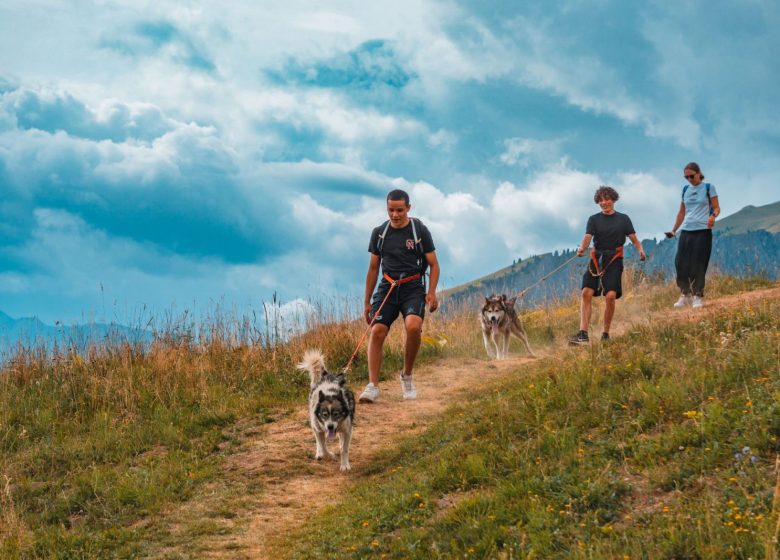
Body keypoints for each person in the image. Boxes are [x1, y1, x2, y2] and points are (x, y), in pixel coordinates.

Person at [358, 189, 440, 403]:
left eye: (399, 210)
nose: (395, 215)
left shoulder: (418, 230)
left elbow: (433, 264)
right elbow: (373, 268)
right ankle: (373, 386)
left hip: (412, 287)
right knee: (377, 331)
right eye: (391, 210)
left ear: (408, 208)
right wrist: (367, 301)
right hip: (388, 287)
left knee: (413, 326)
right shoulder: (379, 233)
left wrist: (431, 292)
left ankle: (407, 376)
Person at [569, 186, 646, 345]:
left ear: (614, 199)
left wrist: (640, 250)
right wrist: (582, 248)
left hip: (614, 259)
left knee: (610, 296)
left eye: (607, 199)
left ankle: (605, 333)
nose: (604, 203)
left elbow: (633, 238)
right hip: (596, 258)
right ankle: (583, 334)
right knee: (586, 292)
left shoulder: (624, 219)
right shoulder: (593, 219)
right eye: (601, 200)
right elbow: (588, 236)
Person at [665, 162, 720, 309]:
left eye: (691, 176)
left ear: (698, 173)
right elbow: (682, 212)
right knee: (680, 263)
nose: (689, 179)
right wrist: (673, 230)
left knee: (698, 264)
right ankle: (685, 294)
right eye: (686, 177)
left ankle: (697, 296)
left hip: (702, 230)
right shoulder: (685, 190)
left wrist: (713, 216)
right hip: (686, 230)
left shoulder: (708, 187)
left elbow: (717, 207)